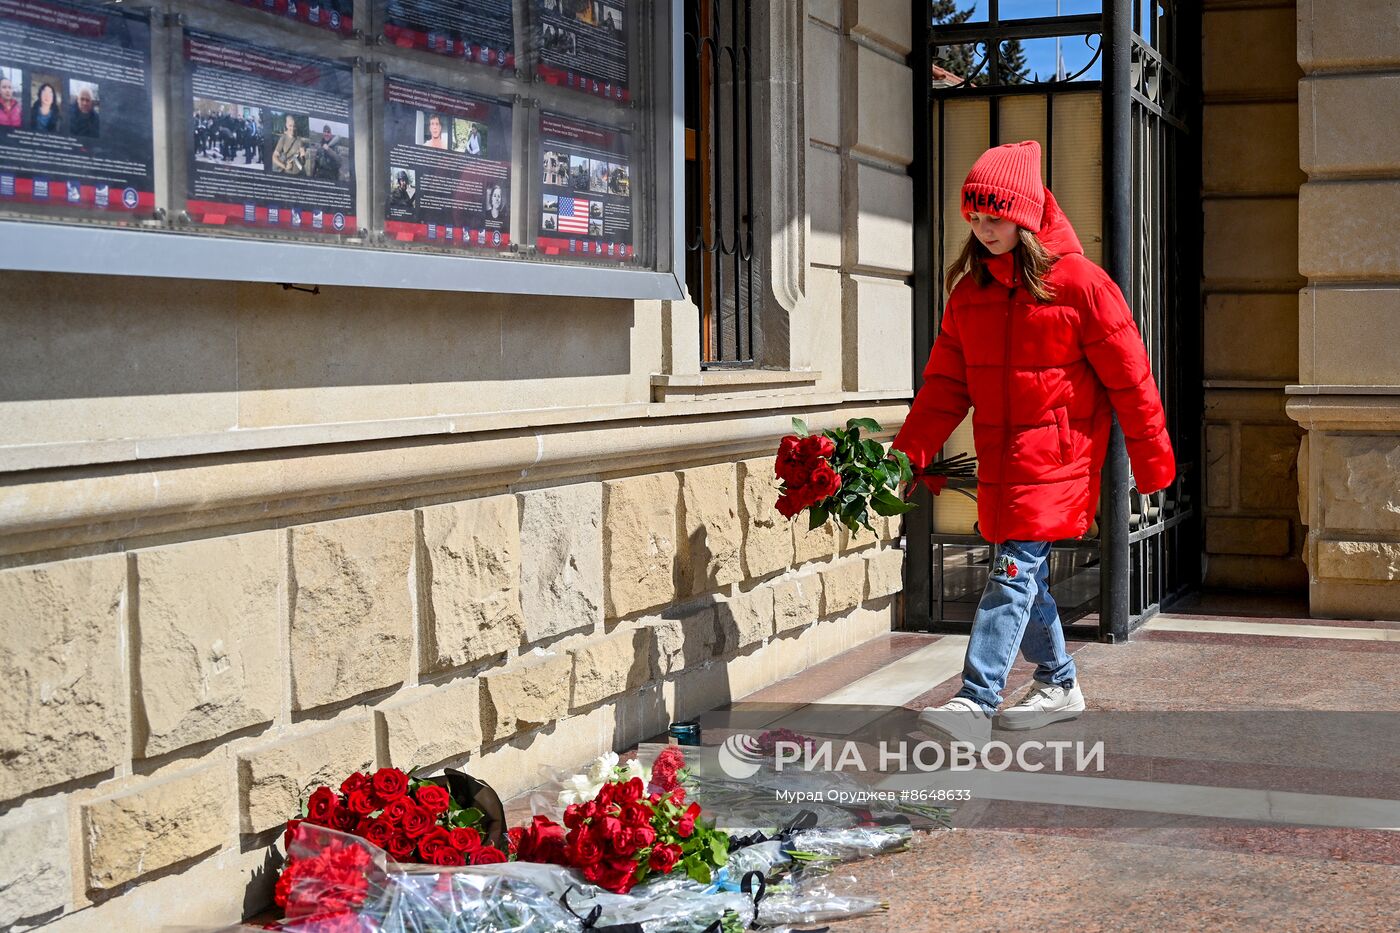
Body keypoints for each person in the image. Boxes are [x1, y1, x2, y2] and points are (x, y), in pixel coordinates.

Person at [896, 141, 1175, 749]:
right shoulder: (970, 293)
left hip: (1057, 461)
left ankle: (976, 697)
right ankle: (1058, 679)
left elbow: (1131, 378)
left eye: (994, 216)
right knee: (1025, 578)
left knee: (1011, 575)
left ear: (1025, 214)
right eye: (974, 215)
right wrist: (908, 450)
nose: (982, 227)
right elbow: (946, 383)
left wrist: (1153, 463)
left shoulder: (1080, 285)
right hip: (1002, 460)